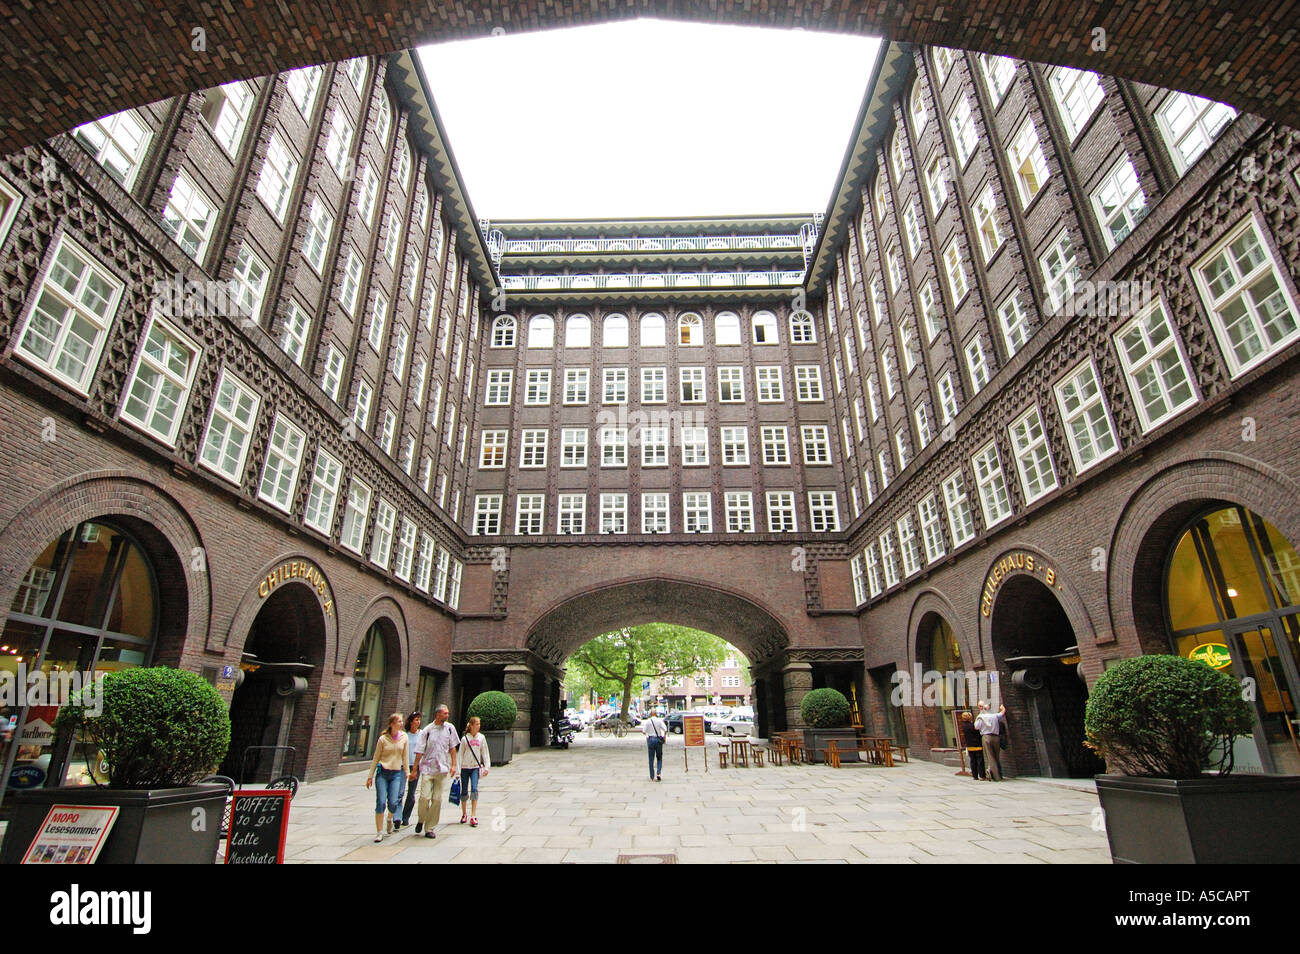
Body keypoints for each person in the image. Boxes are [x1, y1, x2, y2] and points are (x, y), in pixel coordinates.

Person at [410, 704, 459, 838]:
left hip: (442, 769)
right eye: (445, 713)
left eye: (448, 713)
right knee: (424, 797)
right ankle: (421, 819)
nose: (447, 715)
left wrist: (454, 765)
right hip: (427, 768)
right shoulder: (427, 730)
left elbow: (453, 748)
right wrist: (414, 769)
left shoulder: (450, 728)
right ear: (437, 715)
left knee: (437, 800)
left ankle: (430, 828)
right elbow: (419, 751)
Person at [365, 712, 408, 842]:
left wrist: (407, 772)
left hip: (396, 774)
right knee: (381, 802)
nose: (401, 723)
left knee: (394, 802)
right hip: (382, 773)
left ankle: (390, 818)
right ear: (392, 724)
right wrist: (370, 776)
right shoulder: (383, 739)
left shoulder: (404, 737)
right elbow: (376, 758)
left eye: (401, 721)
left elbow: (405, 757)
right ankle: (379, 832)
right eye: (399, 721)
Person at [456, 715, 491, 827]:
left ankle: (473, 815)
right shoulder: (465, 739)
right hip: (465, 768)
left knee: (474, 789)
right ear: (471, 726)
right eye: (477, 724)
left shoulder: (481, 738)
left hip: (475, 767)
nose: (478, 726)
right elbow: (460, 755)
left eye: (479, 724)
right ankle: (464, 813)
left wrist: (487, 767)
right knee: (464, 790)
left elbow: (485, 753)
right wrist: (457, 771)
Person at [398, 710, 423, 829]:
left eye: (419, 720)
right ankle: (397, 816)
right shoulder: (404, 735)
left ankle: (405, 817)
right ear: (411, 721)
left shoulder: (422, 734)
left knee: (411, 793)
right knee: (400, 791)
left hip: (416, 767)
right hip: (403, 766)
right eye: (416, 719)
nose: (418, 722)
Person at [974, 700, 1006, 781]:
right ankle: (999, 773)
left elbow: (976, 727)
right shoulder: (994, 716)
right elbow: (1002, 713)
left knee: (990, 757)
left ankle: (996, 776)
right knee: (996, 756)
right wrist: (1002, 707)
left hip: (986, 737)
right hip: (996, 737)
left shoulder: (980, 717)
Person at [641, 709, 668, 781]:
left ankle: (652, 776)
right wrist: (664, 736)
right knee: (659, 757)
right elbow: (665, 729)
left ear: (650, 714)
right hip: (658, 740)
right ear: (656, 714)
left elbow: (643, 732)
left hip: (650, 740)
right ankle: (658, 773)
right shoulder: (659, 721)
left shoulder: (648, 721)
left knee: (651, 758)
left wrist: (648, 733)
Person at [960, 710, 985, 780]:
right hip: (977, 744)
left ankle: (975, 775)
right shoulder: (972, 725)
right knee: (979, 760)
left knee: (973, 760)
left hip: (969, 745)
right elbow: (978, 733)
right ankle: (982, 775)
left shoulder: (963, 726)